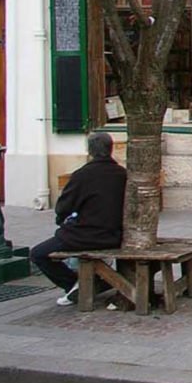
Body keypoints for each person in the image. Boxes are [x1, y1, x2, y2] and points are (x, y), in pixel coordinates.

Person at [29, 131, 127, 306]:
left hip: (86, 235)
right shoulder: (122, 174)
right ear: (110, 150)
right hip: (115, 234)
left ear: (90, 151)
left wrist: (64, 221)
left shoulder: (82, 175)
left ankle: (76, 284)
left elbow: (63, 208)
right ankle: (87, 283)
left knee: (38, 254)